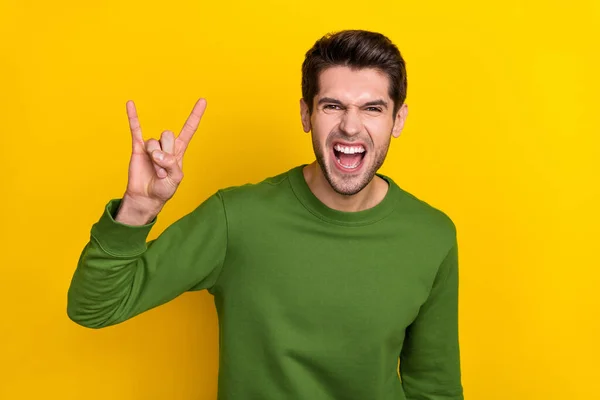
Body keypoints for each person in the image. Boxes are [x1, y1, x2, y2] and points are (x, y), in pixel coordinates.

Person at [67, 29, 464, 400]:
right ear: (307, 114)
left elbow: (434, 385)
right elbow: (95, 306)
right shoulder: (235, 218)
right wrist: (137, 209)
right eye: (332, 106)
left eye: (372, 108)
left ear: (399, 119)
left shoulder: (431, 235)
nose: (350, 126)